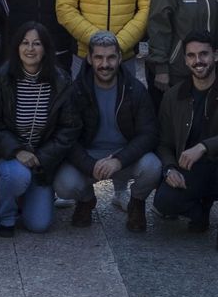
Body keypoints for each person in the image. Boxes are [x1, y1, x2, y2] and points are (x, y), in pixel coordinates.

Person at [153, 32, 218, 253]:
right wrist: (169, 168)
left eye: (203, 54)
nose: (198, 61)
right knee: (163, 202)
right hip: (193, 168)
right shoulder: (173, 95)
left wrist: (204, 146)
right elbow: (164, 142)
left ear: (215, 56)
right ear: (185, 60)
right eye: (191, 56)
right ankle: (199, 212)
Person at [0, 23, 81, 235]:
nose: (30, 49)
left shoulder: (61, 81)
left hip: (42, 163)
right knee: (17, 176)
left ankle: (28, 198)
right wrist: (17, 151)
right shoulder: (1, 78)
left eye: (37, 44)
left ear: (46, 49)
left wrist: (42, 157)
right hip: (9, 157)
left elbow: (69, 129)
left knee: (39, 225)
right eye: (25, 43)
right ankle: (5, 215)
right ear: (17, 47)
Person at [58, 30, 161, 231]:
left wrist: (119, 160)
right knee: (63, 183)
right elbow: (67, 138)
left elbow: (149, 134)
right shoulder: (76, 91)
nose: (105, 64)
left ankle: (137, 202)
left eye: (111, 57)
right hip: (90, 156)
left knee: (153, 167)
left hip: (125, 156)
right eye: (99, 57)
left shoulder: (135, 89)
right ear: (89, 58)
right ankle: (86, 200)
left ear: (120, 58)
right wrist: (90, 165)